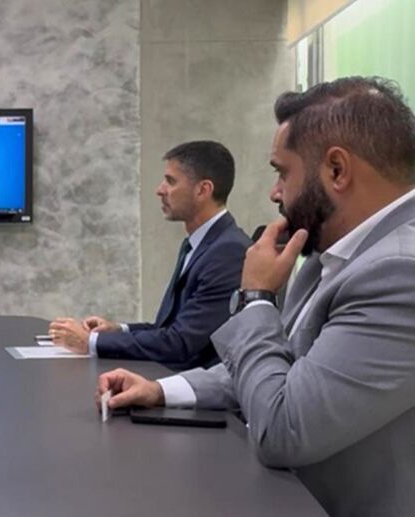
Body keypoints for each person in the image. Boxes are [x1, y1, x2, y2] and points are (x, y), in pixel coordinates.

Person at [97, 77, 415, 516]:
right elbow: (278, 368)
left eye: (282, 173)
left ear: (337, 170)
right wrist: (162, 390)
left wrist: (257, 298)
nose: (274, 193)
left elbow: (284, 427)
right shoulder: (331, 257)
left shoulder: (400, 273)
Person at [50, 141, 251, 370]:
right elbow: (168, 328)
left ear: (203, 190)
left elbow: (180, 343)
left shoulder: (228, 252)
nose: (160, 190)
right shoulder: (201, 244)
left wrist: (91, 342)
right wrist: (119, 330)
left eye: (171, 181)